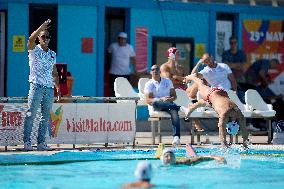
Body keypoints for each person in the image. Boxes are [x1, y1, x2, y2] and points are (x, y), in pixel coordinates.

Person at [23, 19, 61, 151]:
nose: (46, 38)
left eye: (48, 37)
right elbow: (30, 39)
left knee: (45, 117)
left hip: (49, 88)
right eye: (43, 36)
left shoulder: (52, 54)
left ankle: (40, 143)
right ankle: (27, 142)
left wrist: (58, 89)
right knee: (30, 114)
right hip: (36, 86)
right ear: (39, 38)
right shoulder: (34, 49)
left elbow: (54, 72)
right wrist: (41, 27)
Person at [184, 74, 249, 148]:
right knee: (200, 83)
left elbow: (244, 128)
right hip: (211, 94)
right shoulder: (224, 113)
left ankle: (192, 107)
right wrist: (224, 144)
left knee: (205, 103)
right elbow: (221, 129)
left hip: (221, 95)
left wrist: (245, 143)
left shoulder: (237, 112)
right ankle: (191, 77)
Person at [160, 47, 203, 131]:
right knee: (190, 101)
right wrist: (181, 79)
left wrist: (177, 78)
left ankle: (197, 126)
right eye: (177, 53)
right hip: (172, 93)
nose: (179, 55)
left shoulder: (180, 68)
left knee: (198, 85)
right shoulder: (164, 67)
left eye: (179, 53)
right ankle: (197, 126)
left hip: (184, 91)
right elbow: (169, 80)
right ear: (170, 55)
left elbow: (185, 80)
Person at [144, 65, 181, 146]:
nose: (155, 71)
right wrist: (161, 99)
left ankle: (176, 138)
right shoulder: (149, 84)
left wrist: (169, 99)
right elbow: (148, 100)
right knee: (157, 102)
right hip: (157, 105)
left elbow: (174, 96)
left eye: (157, 69)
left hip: (168, 104)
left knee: (174, 112)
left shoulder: (167, 81)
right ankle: (179, 108)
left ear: (160, 72)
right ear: (151, 72)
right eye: (153, 69)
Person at [107, 32, 136, 97]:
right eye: (121, 39)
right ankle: (112, 104)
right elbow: (108, 54)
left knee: (125, 90)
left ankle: (123, 104)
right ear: (118, 39)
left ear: (126, 40)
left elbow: (133, 59)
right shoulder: (113, 46)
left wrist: (135, 70)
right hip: (114, 72)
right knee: (112, 89)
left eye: (124, 39)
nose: (122, 40)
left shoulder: (130, 47)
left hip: (125, 73)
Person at [160, 148, 226, 165]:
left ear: (175, 158)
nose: (169, 158)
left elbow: (200, 158)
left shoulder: (183, 162)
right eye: (166, 156)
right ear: (162, 158)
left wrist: (215, 157)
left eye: (171, 156)